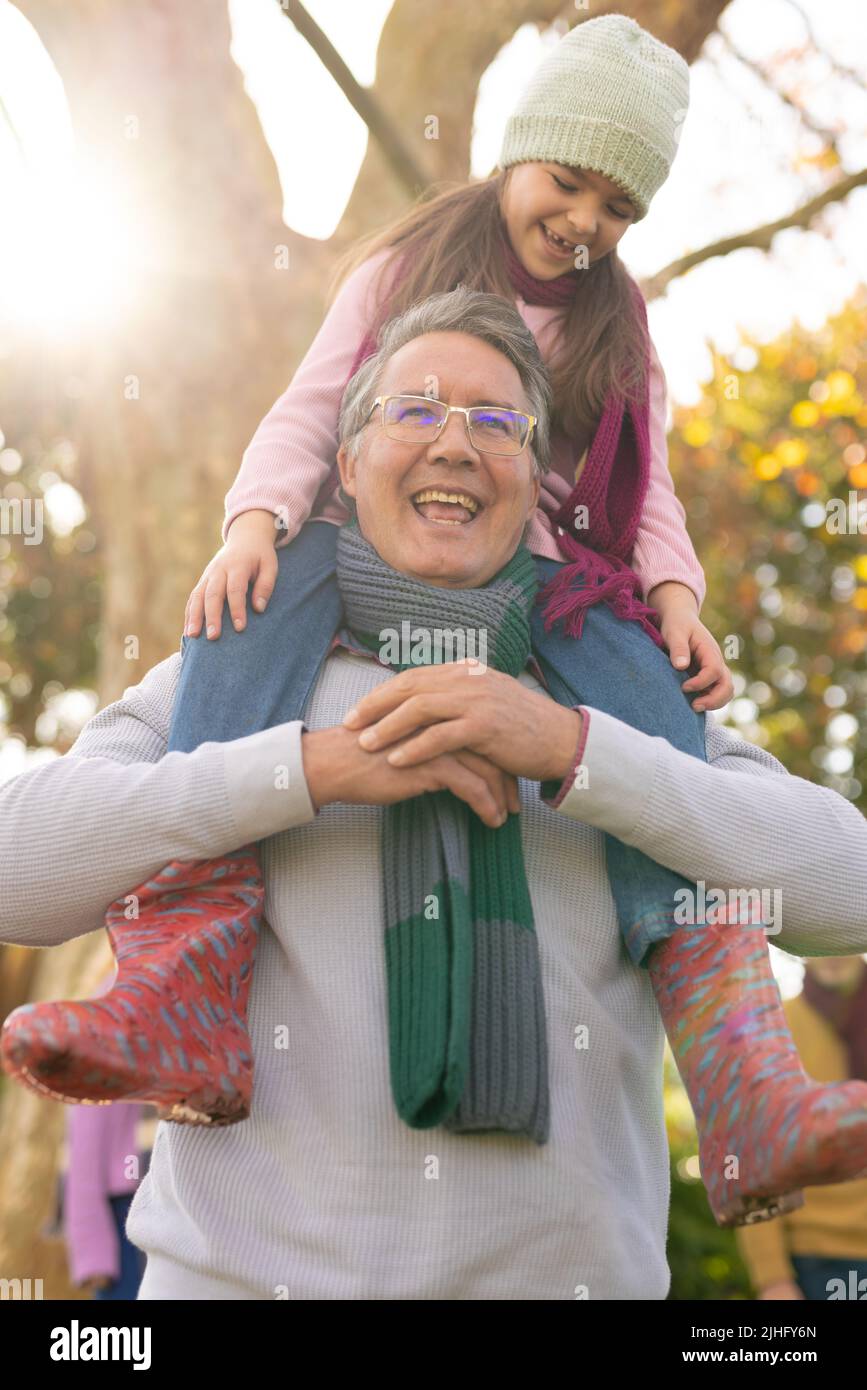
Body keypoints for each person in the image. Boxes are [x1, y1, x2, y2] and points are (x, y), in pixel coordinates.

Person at [1, 292, 867, 1299]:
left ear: (534, 482)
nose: (456, 444)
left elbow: (846, 889)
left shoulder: (626, 692)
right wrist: (306, 771)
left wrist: (577, 753)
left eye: (497, 422)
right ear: (348, 462)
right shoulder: (230, 682)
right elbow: (18, 872)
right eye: (413, 410)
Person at [736, 955, 867, 1301]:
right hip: (815, 1261)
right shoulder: (779, 1028)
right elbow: (755, 1150)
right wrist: (772, 1277)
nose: (833, 955)